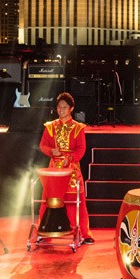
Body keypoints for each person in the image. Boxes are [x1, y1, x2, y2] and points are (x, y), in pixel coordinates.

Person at [38, 92, 92, 244]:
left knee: (75, 200)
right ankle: (45, 232)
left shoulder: (78, 128)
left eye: (64, 107)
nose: (61, 110)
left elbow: (81, 149)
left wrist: (71, 158)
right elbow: (43, 145)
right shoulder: (50, 127)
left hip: (71, 169)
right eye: (59, 107)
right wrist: (51, 151)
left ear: (71, 109)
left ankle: (83, 233)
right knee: (48, 200)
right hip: (54, 168)